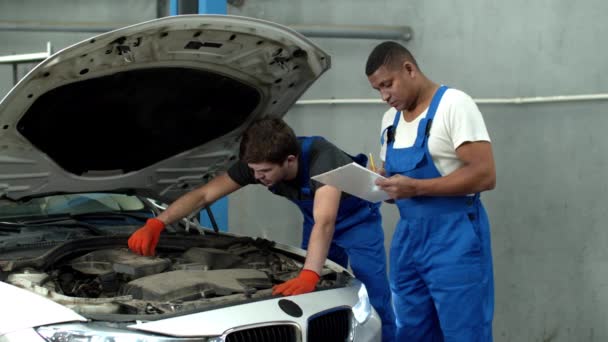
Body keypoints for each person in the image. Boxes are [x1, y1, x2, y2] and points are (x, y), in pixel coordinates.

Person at [128, 118, 396, 341]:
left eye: (265, 171)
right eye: (253, 171)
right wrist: (158, 222)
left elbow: (326, 221)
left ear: (290, 161)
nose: (257, 178)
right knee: (319, 297)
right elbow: (204, 195)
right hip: (315, 221)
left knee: (373, 295)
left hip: (356, 221)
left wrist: (310, 273)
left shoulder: (322, 158)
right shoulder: (259, 163)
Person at [365, 41, 496, 341]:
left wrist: (417, 188)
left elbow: (485, 174)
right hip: (408, 237)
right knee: (411, 329)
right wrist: (380, 182)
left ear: (409, 69)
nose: (385, 96)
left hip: (454, 236)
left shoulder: (454, 105)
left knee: (465, 331)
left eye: (388, 85)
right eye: (378, 90)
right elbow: (395, 176)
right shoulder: (390, 121)